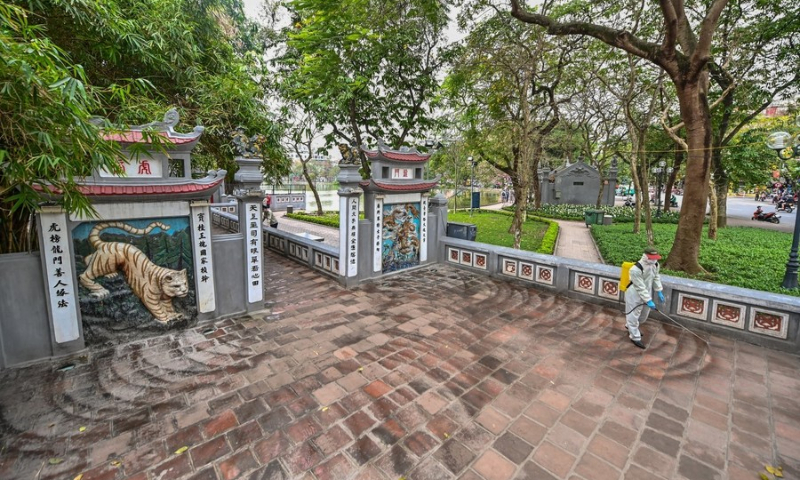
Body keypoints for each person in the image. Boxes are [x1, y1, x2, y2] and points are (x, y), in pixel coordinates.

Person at [624, 246, 665, 349]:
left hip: (647, 293)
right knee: (633, 315)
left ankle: (630, 326)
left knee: (644, 314)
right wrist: (649, 300)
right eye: (652, 257)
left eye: (656, 257)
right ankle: (635, 337)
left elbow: (656, 277)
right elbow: (640, 287)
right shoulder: (636, 269)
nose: (654, 259)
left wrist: (659, 290)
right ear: (646, 256)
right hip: (634, 294)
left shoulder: (655, 264)